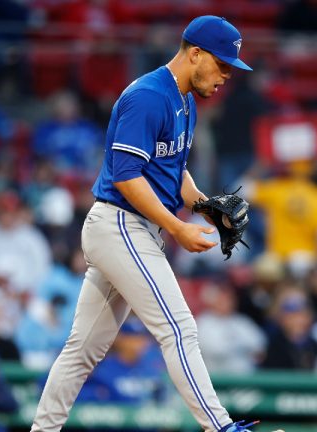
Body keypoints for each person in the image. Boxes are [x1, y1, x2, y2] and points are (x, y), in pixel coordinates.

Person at [31, 16, 277, 432]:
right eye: (222, 65)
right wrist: (178, 228)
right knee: (178, 329)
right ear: (194, 53)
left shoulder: (185, 101)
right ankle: (221, 427)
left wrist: (204, 207)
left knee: (82, 350)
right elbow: (127, 176)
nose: (225, 77)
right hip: (121, 223)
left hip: (130, 228)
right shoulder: (148, 95)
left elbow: (173, 171)